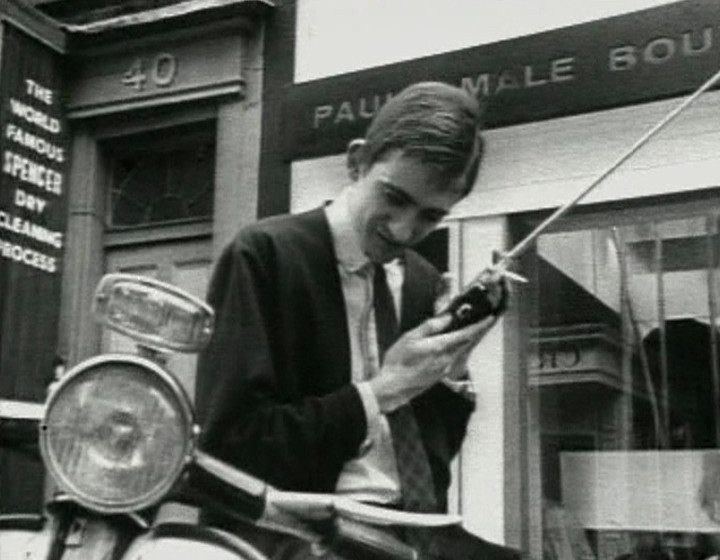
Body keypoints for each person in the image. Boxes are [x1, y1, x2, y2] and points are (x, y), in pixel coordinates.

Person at [195, 81, 521, 560]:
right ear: (356, 161)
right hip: (297, 535)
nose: (404, 229)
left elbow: (431, 465)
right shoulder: (263, 254)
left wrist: (449, 372)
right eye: (393, 197)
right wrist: (384, 389)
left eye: (431, 217)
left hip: (410, 534)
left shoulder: (422, 281)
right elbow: (231, 447)